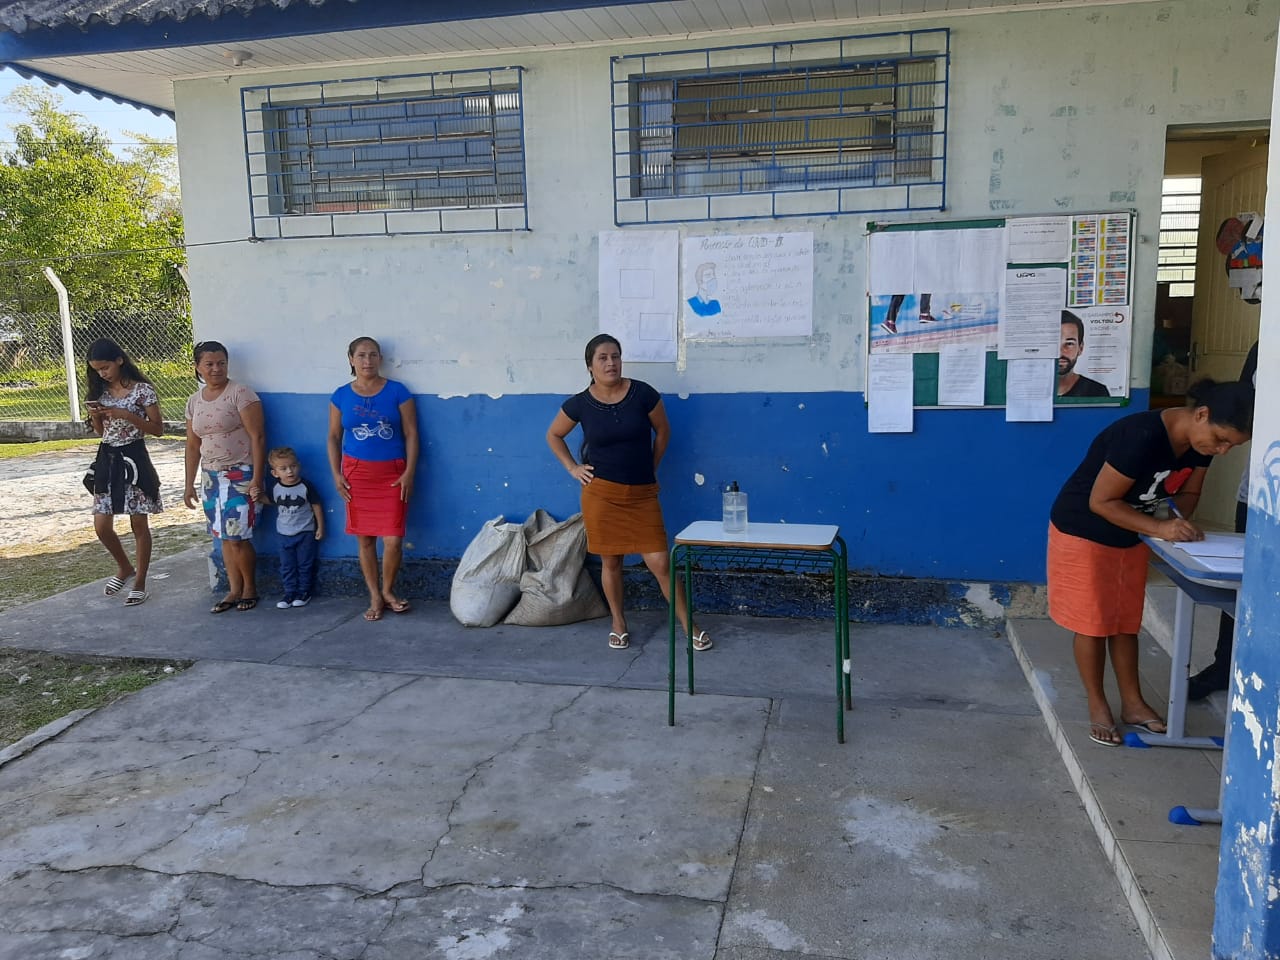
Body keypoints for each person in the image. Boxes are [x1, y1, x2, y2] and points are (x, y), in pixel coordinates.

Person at [1047, 379, 1254, 746]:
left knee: (1126, 622)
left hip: (1134, 533)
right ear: (1202, 414)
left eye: (1231, 447)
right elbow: (1102, 502)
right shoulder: (1140, 435)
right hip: (1084, 530)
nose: (1221, 451)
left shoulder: (1199, 445)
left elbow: (1189, 492)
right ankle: (1098, 705)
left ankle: (1134, 704)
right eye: (1221, 440)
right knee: (1094, 624)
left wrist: (1179, 523)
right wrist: (1161, 527)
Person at [546, 333, 711, 651]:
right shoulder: (579, 404)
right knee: (612, 562)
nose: (611, 363)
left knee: (661, 562)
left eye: (615, 356)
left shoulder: (643, 394)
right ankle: (618, 623)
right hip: (601, 495)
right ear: (590, 366)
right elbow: (554, 435)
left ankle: (690, 625)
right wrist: (573, 468)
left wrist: (653, 466)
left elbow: (663, 431)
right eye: (603, 358)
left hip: (642, 494)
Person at [327, 336, 418, 622]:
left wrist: (409, 472)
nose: (368, 361)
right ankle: (375, 595)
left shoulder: (398, 392)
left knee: (393, 539)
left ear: (380, 359)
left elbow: (412, 434)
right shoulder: (341, 395)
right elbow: (332, 437)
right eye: (362, 355)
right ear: (351, 360)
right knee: (364, 539)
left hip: (392, 474)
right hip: (356, 475)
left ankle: (389, 590)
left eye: (373, 355)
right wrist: (337, 474)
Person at [1188, 340, 1260, 699]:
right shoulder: (1265, 347)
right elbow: (1243, 408)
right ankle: (1224, 665)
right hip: (1261, 493)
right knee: (1241, 586)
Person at [183, 341, 267, 613]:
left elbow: (258, 436)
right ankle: (233, 590)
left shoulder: (240, 394)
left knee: (238, 536)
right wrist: (189, 483)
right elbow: (192, 445)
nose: (216, 369)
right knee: (223, 537)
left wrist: (256, 478)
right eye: (209, 364)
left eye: (221, 363)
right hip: (210, 477)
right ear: (198, 367)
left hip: (239, 473)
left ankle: (249, 588)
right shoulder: (194, 401)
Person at [84, 338, 164, 608]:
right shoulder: (100, 389)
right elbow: (100, 432)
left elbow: (157, 429)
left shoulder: (143, 391)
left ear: (119, 360)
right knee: (101, 525)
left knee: (138, 524)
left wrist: (125, 414)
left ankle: (140, 580)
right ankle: (124, 567)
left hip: (134, 457)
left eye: (105, 367)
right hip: (107, 457)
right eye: (97, 369)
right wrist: (97, 414)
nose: (102, 373)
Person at [265, 446, 324, 609]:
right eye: (283, 469)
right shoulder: (275, 488)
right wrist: (255, 495)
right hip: (283, 533)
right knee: (287, 565)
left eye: (293, 466)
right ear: (275, 473)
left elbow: (317, 505)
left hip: (305, 532)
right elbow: (269, 501)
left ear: (298, 465)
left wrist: (320, 527)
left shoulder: (306, 486)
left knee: (305, 564)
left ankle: (304, 592)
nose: (289, 471)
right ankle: (289, 592)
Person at [1058, 311, 1111, 398]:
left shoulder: (1097, 391)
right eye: (1054, 344)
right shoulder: (1028, 389)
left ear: (1080, 348)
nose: (1060, 352)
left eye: (1069, 344)